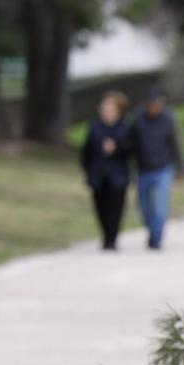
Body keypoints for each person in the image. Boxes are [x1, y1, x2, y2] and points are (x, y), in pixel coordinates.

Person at [129, 88, 184, 250]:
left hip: (163, 169)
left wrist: (181, 167)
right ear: (146, 104)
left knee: (160, 207)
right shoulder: (137, 119)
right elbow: (129, 145)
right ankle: (152, 231)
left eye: (157, 104)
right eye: (151, 104)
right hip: (143, 169)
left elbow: (175, 143)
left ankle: (156, 239)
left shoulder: (168, 119)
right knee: (145, 207)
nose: (154, 107)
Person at [80, 91, 131, 250]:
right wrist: (87, 169)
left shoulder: (125, 127)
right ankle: (106, 235)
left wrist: (116, 149)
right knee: (100, 207)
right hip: (98, 174)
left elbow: (131, 149)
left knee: (115, 208)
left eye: (109, 108)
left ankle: (112, 238)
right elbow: (86, 150)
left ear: (118, 109)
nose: (105, 110)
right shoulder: (95, 127)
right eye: (104, 107)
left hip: (118, 175)